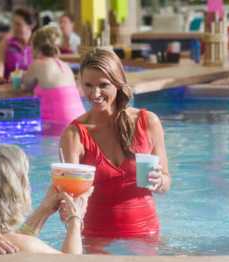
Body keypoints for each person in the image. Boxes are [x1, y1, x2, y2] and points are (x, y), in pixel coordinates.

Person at [59, 49, 171, 241]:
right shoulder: (75, 134)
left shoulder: (148, 122)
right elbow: (70, 197)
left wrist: (160, 181)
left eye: (103, 85)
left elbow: (166, 182)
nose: (94, 93)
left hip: (146, 233)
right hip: (95, 236)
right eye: (88, 85)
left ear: (118, 83)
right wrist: (65, 201)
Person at [0, 144, 92, 253]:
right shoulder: (32, 247)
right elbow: (72, 259)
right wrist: (75, 220)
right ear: (16, 192)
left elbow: (15, 240)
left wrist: (44, 210)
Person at [21, 26, 85, 135]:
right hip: (81, 122)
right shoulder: (65, 65)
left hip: (58, 125)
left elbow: (25, 85)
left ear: (35, 48)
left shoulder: (37, 64)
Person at [0, 8, 36, 83]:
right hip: (11, 88)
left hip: (32, 90)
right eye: (13, 24)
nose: (14, 28)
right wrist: (0, 79)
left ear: (31, 26)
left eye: (18, 24)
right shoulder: (5, 43)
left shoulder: (37, 44)